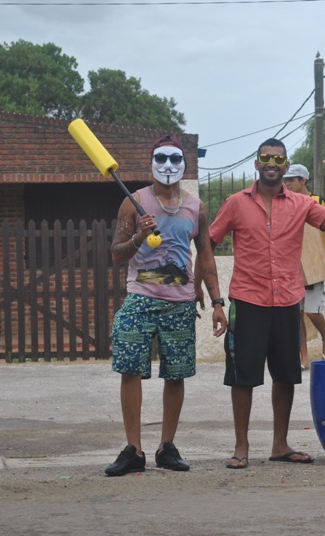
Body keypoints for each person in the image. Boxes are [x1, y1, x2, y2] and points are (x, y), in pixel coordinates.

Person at [209, 139, 325, 469]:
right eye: (265, 157)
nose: (272, 162)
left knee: (286, 375)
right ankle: (241, 446)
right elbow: (208, 242)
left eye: (279, 158)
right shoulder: (235, 203)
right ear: (257, 163)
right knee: (242, 376)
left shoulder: (302, 204)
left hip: (288, 299)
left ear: (286, 167)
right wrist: (214, 295)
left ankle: (280, 444)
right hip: (247, 300)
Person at [105, 134, 227, 477]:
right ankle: (134, 450)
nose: (169, 166)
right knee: (130, 369)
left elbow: (205, 256)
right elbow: (116, 255)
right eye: (162, 159)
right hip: (141, 298)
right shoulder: (133, 203)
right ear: (151, 163)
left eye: (175, 159)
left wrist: (217, 301)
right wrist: (138, 237)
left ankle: (167, 447)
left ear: (184, 164)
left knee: (176, 373)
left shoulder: (195, 207)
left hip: (180, 302)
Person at [282, 164, 325, 369]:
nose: (287, 183)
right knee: (297, 315)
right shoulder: (285, 202)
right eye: (285, 179)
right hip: (292, 266)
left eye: (292, 179)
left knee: (312, 310)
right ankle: (303, 357)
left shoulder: (317, 201)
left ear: (303, 181)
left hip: (314, 265)